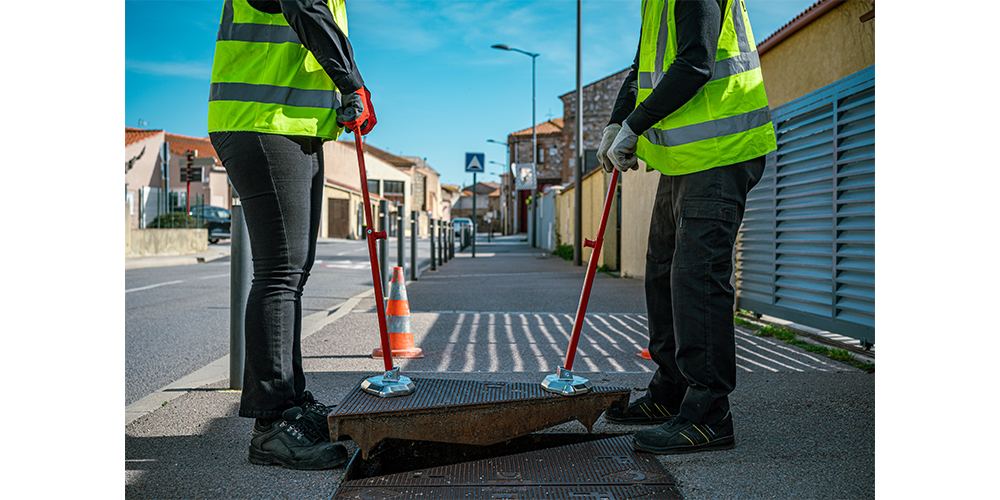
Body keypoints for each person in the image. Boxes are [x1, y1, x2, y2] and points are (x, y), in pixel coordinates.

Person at [597, 0, 776, 455]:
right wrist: (617, 121)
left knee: (697, 276)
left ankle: (708, 414)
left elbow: (696, 61)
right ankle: (671, 393)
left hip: (722, 151)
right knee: (662, 268)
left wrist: (635, 125)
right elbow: (642, 67)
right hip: (685, 159)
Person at [207, 0, 375, 470]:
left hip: (290, 127)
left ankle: (293, 404)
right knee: (280, 271)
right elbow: (302, 7)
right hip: (261, 122)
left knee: (293, 270)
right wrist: (351, 82)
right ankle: (272, 424)